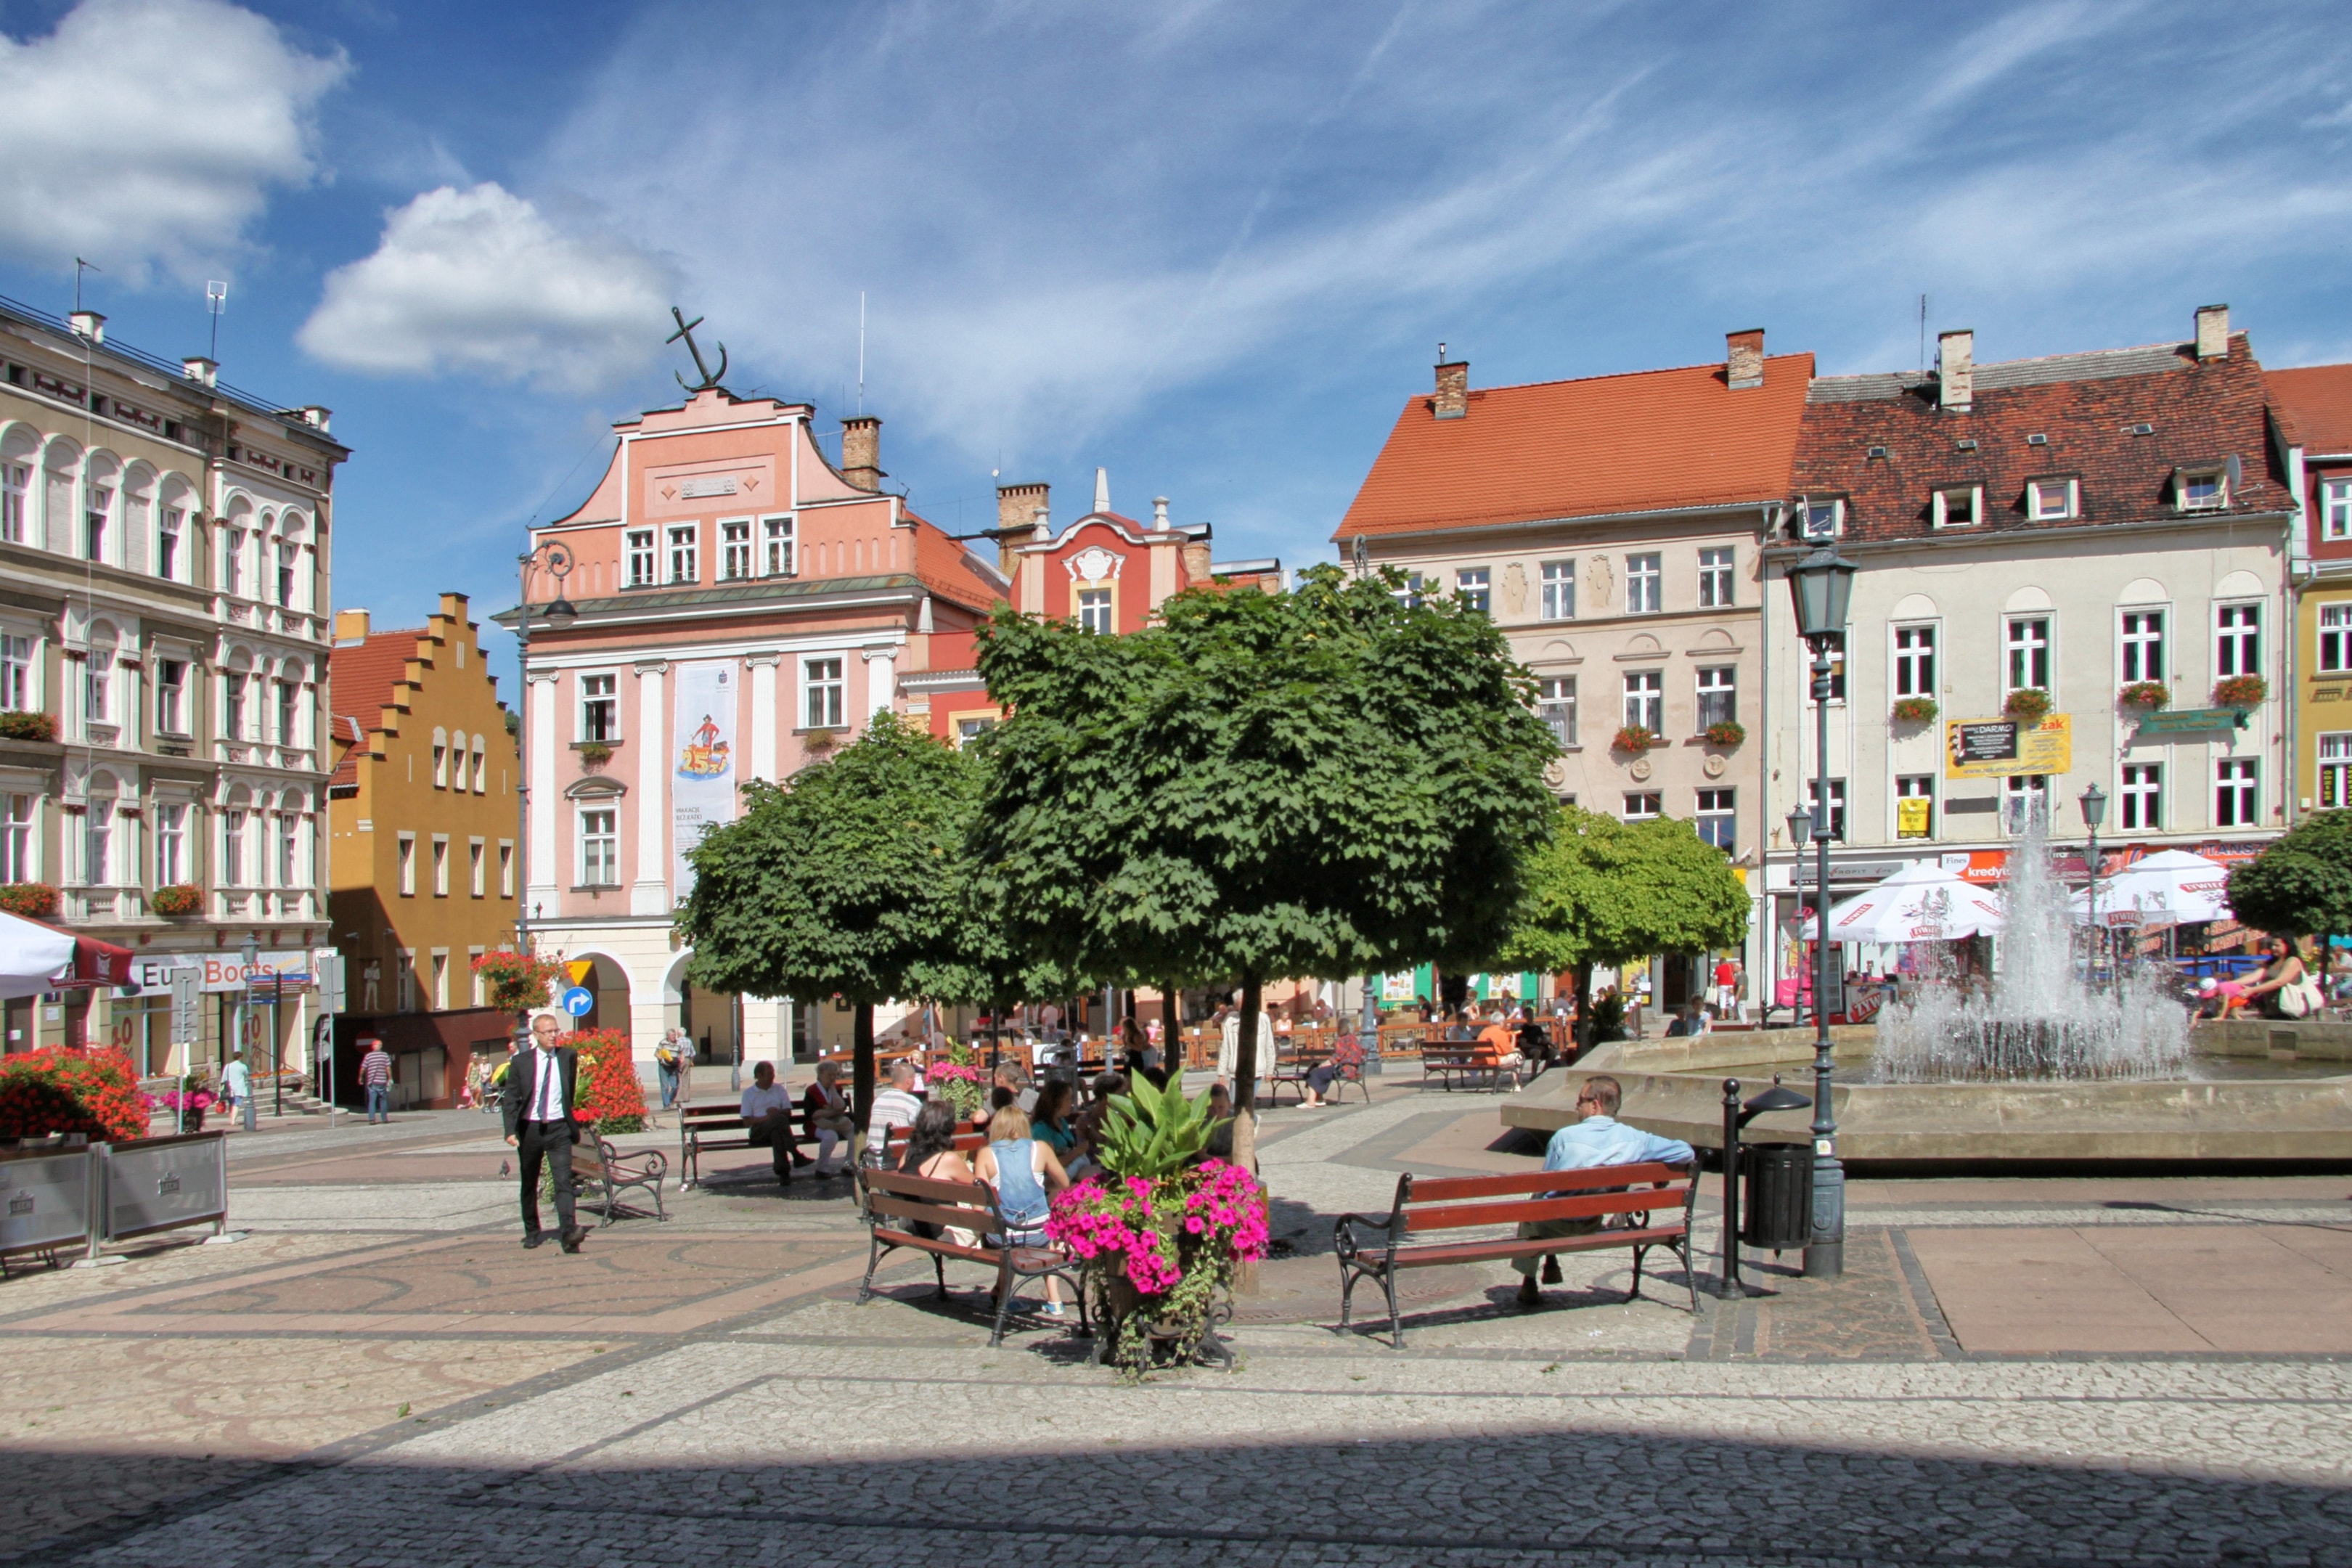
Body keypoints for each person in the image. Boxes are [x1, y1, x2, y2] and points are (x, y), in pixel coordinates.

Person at [1514, 1075, 1692, 1307]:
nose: (1576, 1105)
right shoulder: (1634, 1138)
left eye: (1581, 1100)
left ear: (1595, 1105)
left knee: (1534, 1206)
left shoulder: (1564, 1137)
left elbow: (1545, 1186)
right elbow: (1685, 1152)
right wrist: (1658, 1174)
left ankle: (1530, 1282)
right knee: (1551, 1203)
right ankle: (1550, 1263)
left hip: (1556, 1223)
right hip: (1592, 1221)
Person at [973, 1104, 1072, 1316]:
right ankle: (1054, 1300)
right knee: (1051, 1231)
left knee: (1001, 1230)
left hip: (1002, 1237)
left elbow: (978, 1205)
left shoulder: (986, 1154)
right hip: (1038, 1235)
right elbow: (1064, 1183)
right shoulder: (1041, 1148)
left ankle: (1002, 1294)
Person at [499, 1013, 586, 1253]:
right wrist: (510, 1130)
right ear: (535, 1035)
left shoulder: (568, 1057)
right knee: (529, 1181)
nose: (553, 1036)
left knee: (563, 1181)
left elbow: (568, 1092)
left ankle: (569, 1232)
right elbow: (511, 1100)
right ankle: (532, 1231)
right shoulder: (522, 1062)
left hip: (559, 1127)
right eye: (547, 1032)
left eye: (555, 1031)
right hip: (531, 1128)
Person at [897, 1100, 978, 1246]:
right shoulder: (947, 1159)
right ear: (948, 1127)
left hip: (913, 1224)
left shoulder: (908, 1154)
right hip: (941, 1231)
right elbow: (980, 1191)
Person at [739, 1061, 799, 1184]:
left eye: (773, 1074)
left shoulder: (779, 1089)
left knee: (777, 1134)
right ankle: (795, 1153)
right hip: (758, 1130)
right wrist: (768, 1118)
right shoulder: (749, 1094)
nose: (772, 1077)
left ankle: (783, 1173)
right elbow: (747, 1122)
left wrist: (778, 1112)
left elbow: (788, 1112)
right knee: (779, 1120)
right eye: (769, 1074)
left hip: (777, 1129)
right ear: (759, 1076)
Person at [2242, 936, 2319, 1018]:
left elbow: (2279, 982)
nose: (2273, 948)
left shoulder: (2293, 961)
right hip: (2271, 1011)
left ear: (2287, 945)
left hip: (2291, 1014)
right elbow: (2254, 976)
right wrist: (2230, 984)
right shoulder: (2271, 963)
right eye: (2272, 945)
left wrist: (2253, 990)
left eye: (2277, 945)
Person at [802, 1060, 855, 1177]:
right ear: (820, 1075)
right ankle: (822, 1168)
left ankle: (849, 1164)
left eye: (834, 1074)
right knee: (831, 1136)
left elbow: (840, 1107)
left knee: (855, 1131)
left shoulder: (837, 1088)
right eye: (829, 1075)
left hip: (837, 1122)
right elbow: (813, 1114)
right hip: (815, 1125)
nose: (832, 1078)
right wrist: (833, 1112)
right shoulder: (812, 1091)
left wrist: (833, 1091)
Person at [866, 1059, 925, 1164]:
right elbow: (924, 1127)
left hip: (873, 1159)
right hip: (895, 1160)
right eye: (914, 1080)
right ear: (908, 1081)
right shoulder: (911, 1102)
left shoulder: (879, 1100)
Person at [1473, 1010, 1527, 1088]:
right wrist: (1514, 1039)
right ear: (1501, 1022)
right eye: (1504, 1022)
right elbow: (1508, 1051)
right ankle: (1515, 1084)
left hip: (1480, 1060)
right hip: (1494, 1060)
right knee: (1518, 1056)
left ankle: (1497, 1084)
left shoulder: (1484, 1031)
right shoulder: (1500, 1033)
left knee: (1514, 1052)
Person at [1030, 1078, 1079, 1161]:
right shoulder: (1041, 1129)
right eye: (1068, 1099)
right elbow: (1049, 1164)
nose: (1071, 1103)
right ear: (1056, 1101)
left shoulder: (1061, 1121)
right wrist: (1077, 1152)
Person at [359, 1037, 393, 1123]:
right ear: (379, 1047)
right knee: (383, 1100)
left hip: (371, 1082)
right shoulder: (385, 1055)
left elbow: (363, 1068)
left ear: (373, 1047)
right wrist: (390, 1078)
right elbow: (388, 1068)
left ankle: (372, 1119)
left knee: (372, 1101)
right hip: (382, 1081)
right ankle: (384, 1119)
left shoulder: (368, 1056)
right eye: (380, 1045)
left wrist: (361, 1077)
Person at [223, 1050, 254, 1132]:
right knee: (237, 1104)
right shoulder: (243, 1066)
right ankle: (233, 1120)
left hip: (229, 1087)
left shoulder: (228, 1066)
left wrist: (222, 1085)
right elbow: (247, 1076)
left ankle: (231, 1119)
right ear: (240, 1057)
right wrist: (251, 1082)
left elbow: (224, 1077)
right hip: (239, 1088)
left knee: (231, 1104)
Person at [656, 1029, 683, 1109]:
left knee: (675, 1086)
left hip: (674, 1067)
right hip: (664, 1067)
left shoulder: (678, 1043)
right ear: (668, 1036)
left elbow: (682, 1053)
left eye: (675, 1035)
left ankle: (670, 1100)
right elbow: (656, 1053)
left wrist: (681, 1061)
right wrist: (662, 1059)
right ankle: (666, 1105)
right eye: (672, 1035)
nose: (674, 1037)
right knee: (665, 1087)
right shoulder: (663, 1043)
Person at [673, 1032, 698, 1108]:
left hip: (679, 1060)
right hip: (687, 1059)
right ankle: (686, 1097)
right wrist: (691, 1061)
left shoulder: (677, 1041)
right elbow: (693, 1053)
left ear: (679, 1034)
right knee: (685, 1079)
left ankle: (677, 1097)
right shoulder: (689, 1041)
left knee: (676, 1078)